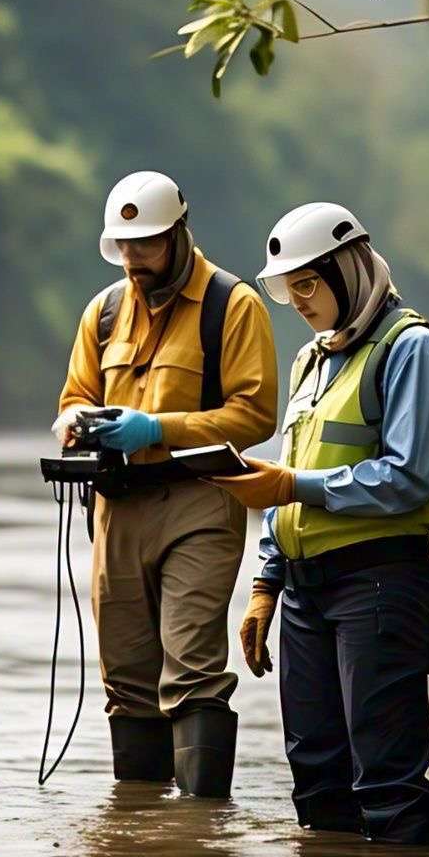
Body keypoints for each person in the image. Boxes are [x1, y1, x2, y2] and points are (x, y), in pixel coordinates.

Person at [215, 201, 429, 845]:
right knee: (317, 778)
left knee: (385, 777)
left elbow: (410, 476)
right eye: (286, 288)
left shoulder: (410, 349)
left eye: (309, 283)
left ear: (350, 270)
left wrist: (290, 485)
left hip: (380, 585)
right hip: (305, 592)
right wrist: (264, 588)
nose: (298, 301)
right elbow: (289, 475)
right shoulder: (311, 360)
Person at [55, 171, 277, 796]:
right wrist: (73, 422)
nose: (133, 259)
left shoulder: (233, 306)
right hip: (116, 510)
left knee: (191, 670)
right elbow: (76, 395)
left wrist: (158, 428)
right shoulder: (101, 312)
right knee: (125, 677)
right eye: (123, 246)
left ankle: (201, 834)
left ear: (180, 233)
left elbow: (255, 413)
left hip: (200, 501)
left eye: (146, 244)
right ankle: (141, 831)